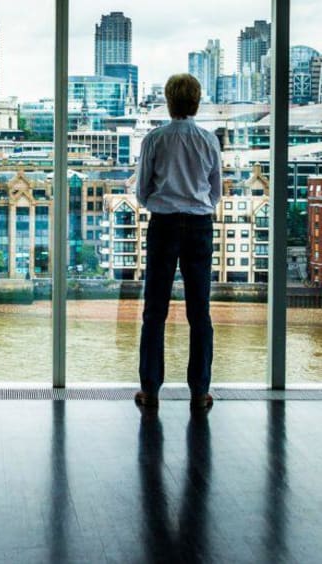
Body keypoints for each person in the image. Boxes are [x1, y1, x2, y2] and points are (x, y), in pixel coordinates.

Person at [135, 73, 221, 411]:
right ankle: (199, 392)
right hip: (200, 225)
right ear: (196, 102)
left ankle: (150, 390)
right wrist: (197, 203)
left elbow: (142, 190)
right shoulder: (209, 140)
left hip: (164, 225)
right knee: (199, 311)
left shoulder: (154, 140)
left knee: (154, 311)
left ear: (168, 102)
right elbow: (215, 190)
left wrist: (161, 201)